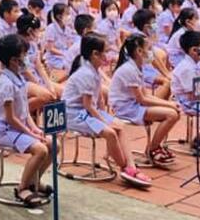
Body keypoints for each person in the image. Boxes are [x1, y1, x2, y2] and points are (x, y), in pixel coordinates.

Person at [62, 33, 150, 187]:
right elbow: (88, 105)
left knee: (120, 127)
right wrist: (105, 122)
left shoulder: (93, 70)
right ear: (95, 54)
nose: (108, 55)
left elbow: (99, 100)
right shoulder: (86, 74)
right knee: (110, 133)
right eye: (106, 52)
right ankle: (125, 168)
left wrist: (106, 116)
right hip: (74, 114)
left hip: (88, 112)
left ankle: (131, 166)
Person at [0, 34, 54, 206]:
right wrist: (30, 133)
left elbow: (24, 111)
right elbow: (11, 118)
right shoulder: (6, 83)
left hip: (19, 127)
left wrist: (35, 129)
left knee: (53, 144)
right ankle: (22, 188)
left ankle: (34, 180)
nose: (26, 58)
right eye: (24, 54)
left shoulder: (18, 77)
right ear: (13, 60)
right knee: (40, 149)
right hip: (5, 131)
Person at [108, 34, 179, 167]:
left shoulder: (136, 66)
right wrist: (169, 104)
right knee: (172, 114)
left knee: (174, 112)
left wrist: (169, 104)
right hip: (126, 108)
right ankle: (153, 148)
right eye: (149, 49)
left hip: (134, 105)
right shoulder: (129, 69)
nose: (152, 53)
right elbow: (142, 99)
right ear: (139, 51)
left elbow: (146, 95)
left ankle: (154, 147)